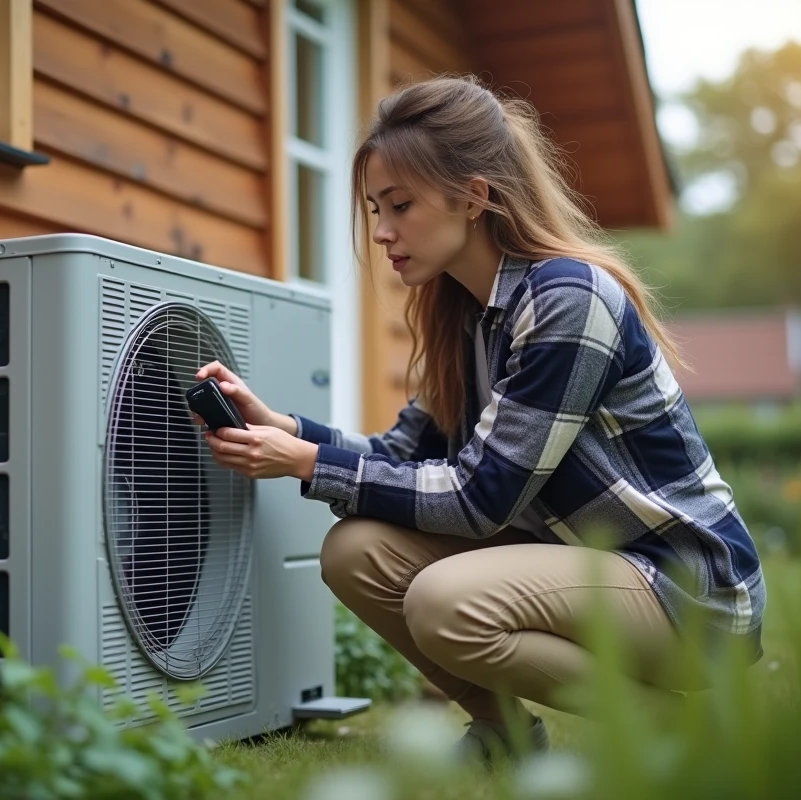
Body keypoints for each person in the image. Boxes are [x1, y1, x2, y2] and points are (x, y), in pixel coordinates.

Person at [191, 74, 766, 767]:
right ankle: (505, 736)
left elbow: (480, 498)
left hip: (682, 586)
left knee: (444, 602)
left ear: (474, 196)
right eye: (375, 208)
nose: (380, 232)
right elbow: (396, 455)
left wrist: (309, 464)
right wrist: (289, 429)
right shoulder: (465, 316)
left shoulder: (568, 300)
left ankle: (676, 734)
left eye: (399, 206)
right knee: (355, 552)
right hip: (589, 565)